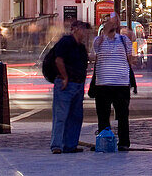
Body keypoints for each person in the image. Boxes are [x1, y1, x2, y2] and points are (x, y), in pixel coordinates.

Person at [91, 14, 135, 151]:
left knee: (122, 115)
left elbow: (131, 60)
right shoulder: (98, 40)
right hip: (102, 84)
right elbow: (94, 54)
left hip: (121, 83)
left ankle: (123, 142)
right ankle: (105, 141)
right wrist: (104, 34)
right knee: (103, 115)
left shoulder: (124, 40)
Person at [50, 21, 91, 154]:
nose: (85, 33)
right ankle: (57, 145)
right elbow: (58, 60)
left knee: (76, 116)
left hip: (78, 84)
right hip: (66, 84)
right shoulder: (66, 41)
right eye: (83, 30)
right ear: (75, 29)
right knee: (61, 115)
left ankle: (70, 144)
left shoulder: (81, 47)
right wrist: (65, 77)